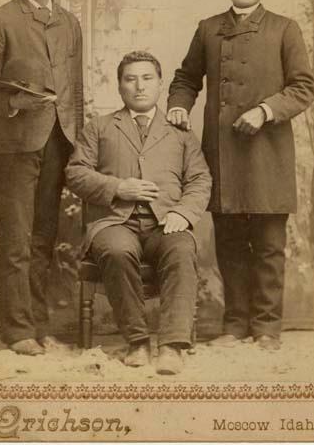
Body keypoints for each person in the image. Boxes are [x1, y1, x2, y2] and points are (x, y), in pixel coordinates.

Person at [167, 0, 314, 351]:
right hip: (222, 152)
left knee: (268, 244)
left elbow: (303, 88)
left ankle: (267, 327)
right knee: (229, 241)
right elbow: (185, 77)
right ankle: (234, 324)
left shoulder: (285, 29)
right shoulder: (209, 28)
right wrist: (179, 104)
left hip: (268, 152)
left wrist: (265, 111)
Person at [0, 0, 83, 355]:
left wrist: (78, 140)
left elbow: (76, 88)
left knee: (43, 239)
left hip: (58, 141)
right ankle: (17, 331)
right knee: (17, 241)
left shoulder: (70, 22)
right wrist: (14, 102)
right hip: (14, 146)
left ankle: (38, 324)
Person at [66, 51, 210, 374]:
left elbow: (200, 178)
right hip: (115, 221)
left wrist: (184, 213)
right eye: (130, 79)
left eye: (147, 78)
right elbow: (75, 172)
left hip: (166, 222)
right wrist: (118, 188)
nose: (139, 86)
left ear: (160, 85)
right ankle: (137, 341)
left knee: (183, 248)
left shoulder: (180, 130)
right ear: (120, 87)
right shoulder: (100, 127)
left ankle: (172, 346)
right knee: (116, 250)